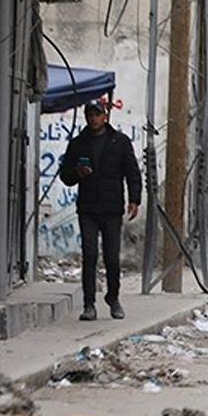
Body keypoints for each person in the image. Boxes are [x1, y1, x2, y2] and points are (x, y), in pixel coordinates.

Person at [59, 101, 142, 322]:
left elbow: (132, 172)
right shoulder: (78, 144)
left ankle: (113, 298)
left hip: (112, 209)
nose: (93, 118)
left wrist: (135, 200)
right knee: (90, 256)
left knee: (112, 258)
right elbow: (65, 175)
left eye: (97, 114)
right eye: (89, 114)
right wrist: (77, 173)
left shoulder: (120, 142)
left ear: (105, 116)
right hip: (88, 208)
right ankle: (89, 304)